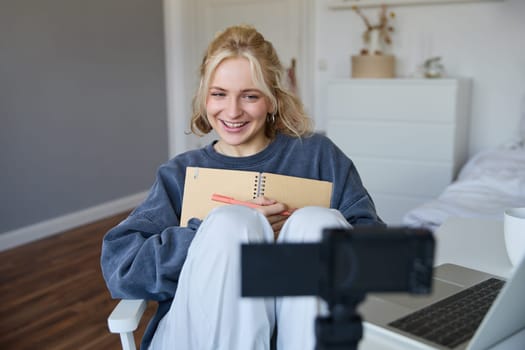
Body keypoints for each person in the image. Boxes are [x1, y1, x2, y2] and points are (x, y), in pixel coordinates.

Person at [101, 24, 384, 350]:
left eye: (250, 96)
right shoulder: (181, 172)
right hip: (199, 334)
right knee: (231, 224)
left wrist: (297, 236)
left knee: (317, 223)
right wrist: (205, 236)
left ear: (273, 100)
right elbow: (120, 267)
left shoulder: (319, 156)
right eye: (219, 94)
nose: (232, 112)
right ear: (204, 96)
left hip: (302, 333)